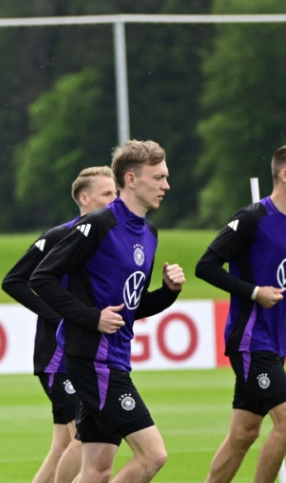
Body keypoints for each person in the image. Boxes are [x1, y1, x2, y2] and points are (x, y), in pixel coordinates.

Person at [30, 140, 186, 483]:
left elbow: (132, 307)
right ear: (131, 180)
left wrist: (169, 293)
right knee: (153, 455)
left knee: (98, 470)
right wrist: (91, 317)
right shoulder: (97, 225)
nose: (166, 186)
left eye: (166, 177)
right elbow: (42, 277)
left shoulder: (149, 233)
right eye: (158, 177)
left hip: (115, 357)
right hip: (93, 359)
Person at [2, 166, 117, 483]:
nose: (115, 200)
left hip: (86, 352)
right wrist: (60, 314)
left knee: (63, 444)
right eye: (108, 194)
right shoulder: (59, 236)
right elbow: (14, 281)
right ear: (84, 198)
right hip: (58, 354)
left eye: (116, 194)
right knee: (83, 439)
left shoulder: (109, 240)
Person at [196, 145, 286, 483]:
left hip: (276, 341)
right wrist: (254, 292)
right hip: (251, 339)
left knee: (243, 434)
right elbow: (205, 266)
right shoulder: (252, 218)